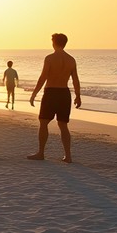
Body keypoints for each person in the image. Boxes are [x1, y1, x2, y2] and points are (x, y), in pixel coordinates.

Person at [28, 33, 81, 163]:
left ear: (54, 43)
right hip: (64, 93)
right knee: (63, 125)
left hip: (51, 92)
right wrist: (78, 96)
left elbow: (43, 77)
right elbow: (75, 80)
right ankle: (68, 156)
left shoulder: (50, 58)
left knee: (44, 122)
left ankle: (41, 153)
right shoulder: (71, 59)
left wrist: (34, 93)